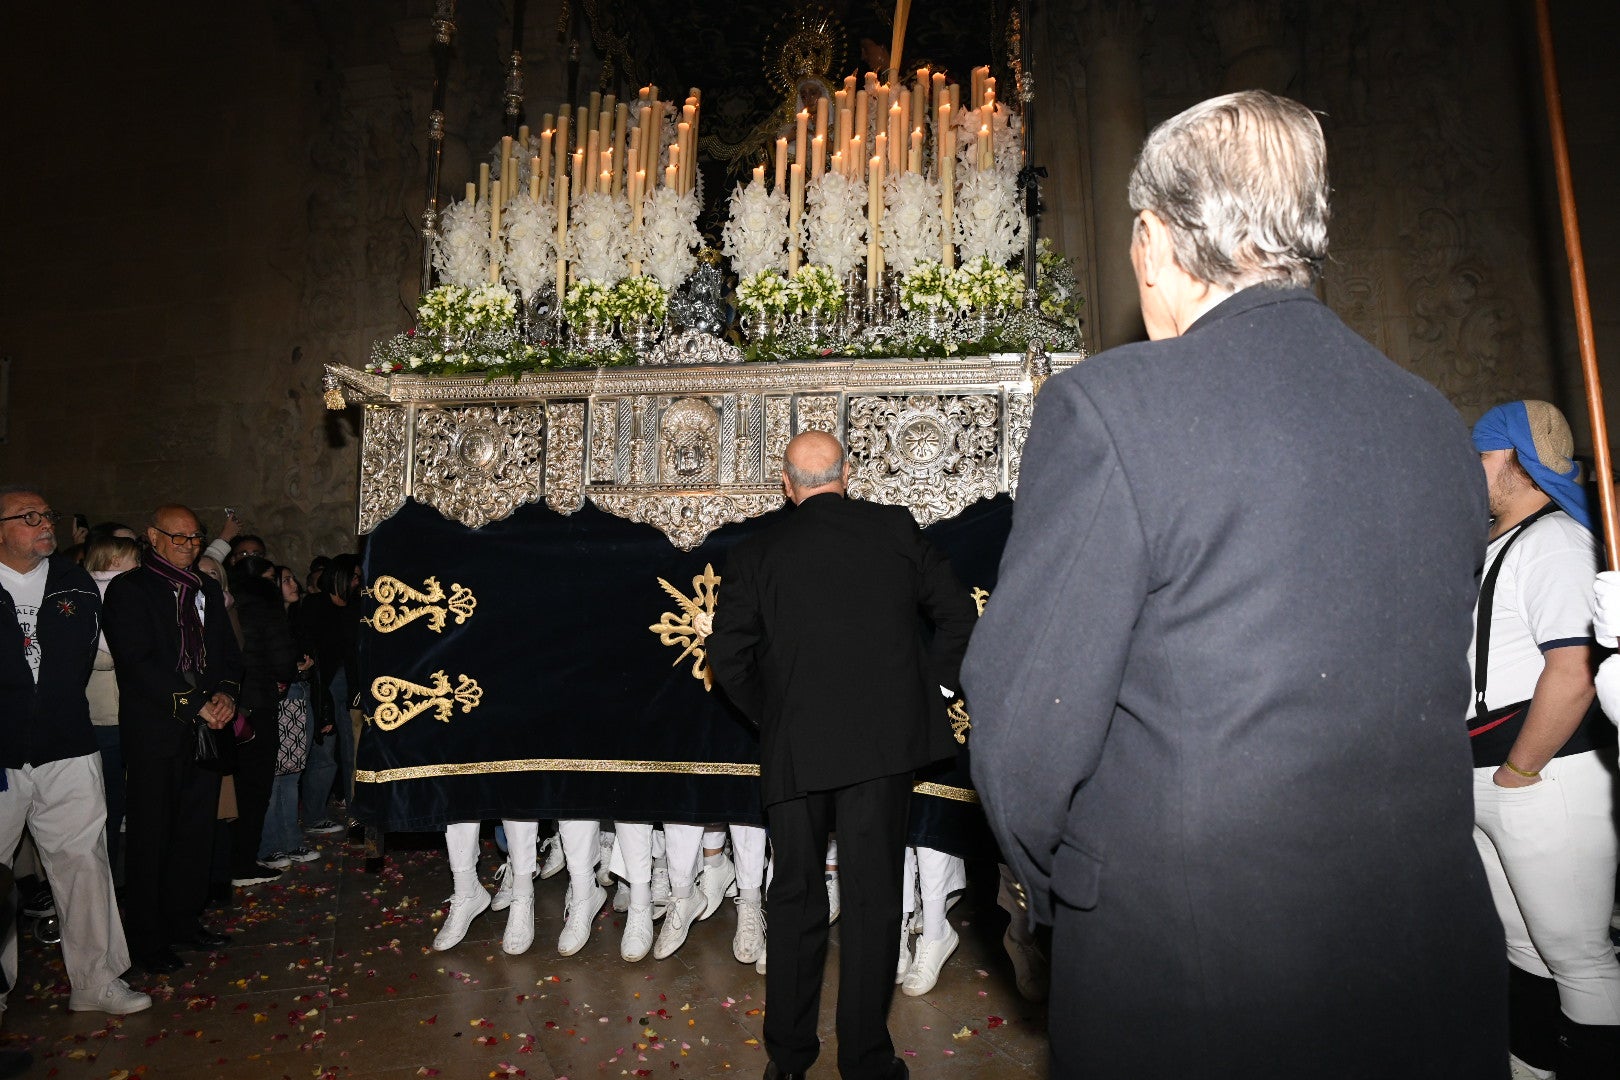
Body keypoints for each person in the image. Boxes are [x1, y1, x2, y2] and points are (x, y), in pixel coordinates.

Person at [961, 90, 1505, 1079]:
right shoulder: (1431, 418)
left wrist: (1061, 891)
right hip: (1427, 945)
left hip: (1202, 973)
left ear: (1157, 237)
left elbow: (1023, 734)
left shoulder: (1112, 406)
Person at [709, 430, 976, 1080]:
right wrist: (930, 690)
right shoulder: (893, 529)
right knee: (873, 899)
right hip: (881, 748)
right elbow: (957, 616)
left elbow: (727, 658)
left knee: (795, 897)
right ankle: (866, 1061)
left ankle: (788, 1062)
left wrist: (774, 717)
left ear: (786, 482)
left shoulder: (758, 549)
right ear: (846, 474)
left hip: (796, 750)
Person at [1468, 400, 1619, 1078]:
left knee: (1579, 955)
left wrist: (1520, 772)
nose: (1469, 469)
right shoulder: (1499, 540)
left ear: (1511, 460)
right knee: (1526, 948)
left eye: (1479, 454)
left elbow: (1573, 671)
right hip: (1496, 773)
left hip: (1545, 776)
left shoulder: (1556, 540)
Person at [0, 486, 150, 1015]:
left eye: (48, 515)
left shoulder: (75, 582)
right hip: (1, 752)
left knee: (85, 861)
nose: (45, 523)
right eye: (28, 517)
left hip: (67, 744)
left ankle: (97, 981)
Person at [103, 504, 243, 976]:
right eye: (178, 538)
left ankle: (184, 920)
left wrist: (225, 695)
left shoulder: (206, 588)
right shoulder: (130, 590)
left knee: (195, 831)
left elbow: (227, 654)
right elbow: (137, 663)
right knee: (151, 837)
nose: (187, 546)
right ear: (153, 537)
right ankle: (147, 939)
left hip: (206, 732)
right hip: (156, 733)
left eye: (195, 539)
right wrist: (192, 704)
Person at [224, 555, 299, 888]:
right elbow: (282, 658)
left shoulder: (228, 602)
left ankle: (229, 860)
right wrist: (282, 677)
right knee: (255, 788)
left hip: (227, 704)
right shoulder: (266, 606)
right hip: (257, 703)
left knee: (232, 788)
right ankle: (242, 862)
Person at [83, 534, 143, 884]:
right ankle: (107, 878)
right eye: (133, 559)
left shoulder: (122, 591)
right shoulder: (95, 594)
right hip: (105, 717)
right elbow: (103, 652)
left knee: (121, 801)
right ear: (113, 561)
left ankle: (119, 875)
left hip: (124, 714)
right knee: (108, 802)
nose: (139, 565)